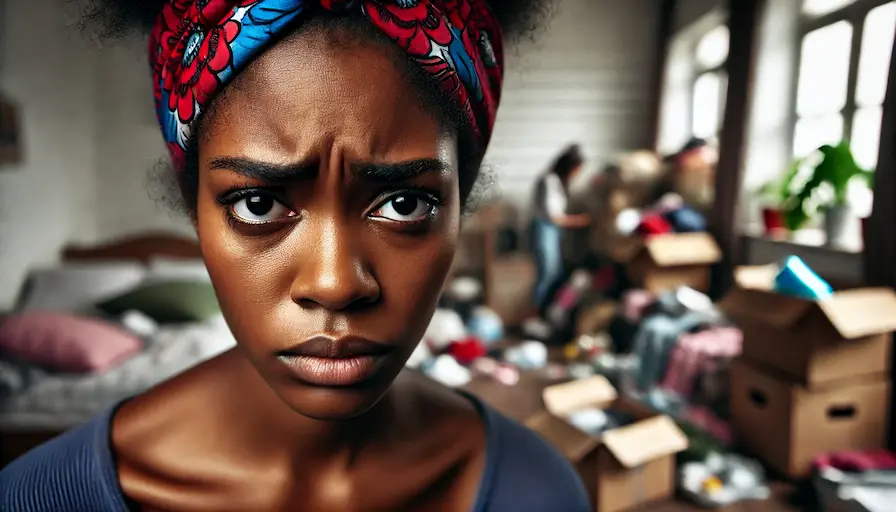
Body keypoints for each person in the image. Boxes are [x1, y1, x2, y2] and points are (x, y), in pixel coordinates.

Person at [0, 1, 591, 511]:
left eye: (406, 204)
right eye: (257, 205)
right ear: (193, 208)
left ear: (461, 201)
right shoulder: (38, 497)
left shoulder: (536, 492)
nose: (334, 284)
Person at [530, 144, 591, 312]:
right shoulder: (548, 181)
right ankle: (535, 312)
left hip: (551, 229)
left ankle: (545, 310)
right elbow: (554, 217)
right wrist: (582, 221)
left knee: (556, 272)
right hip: (545, 228)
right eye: (577, 169)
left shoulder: (556, 181)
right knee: (548, 272)